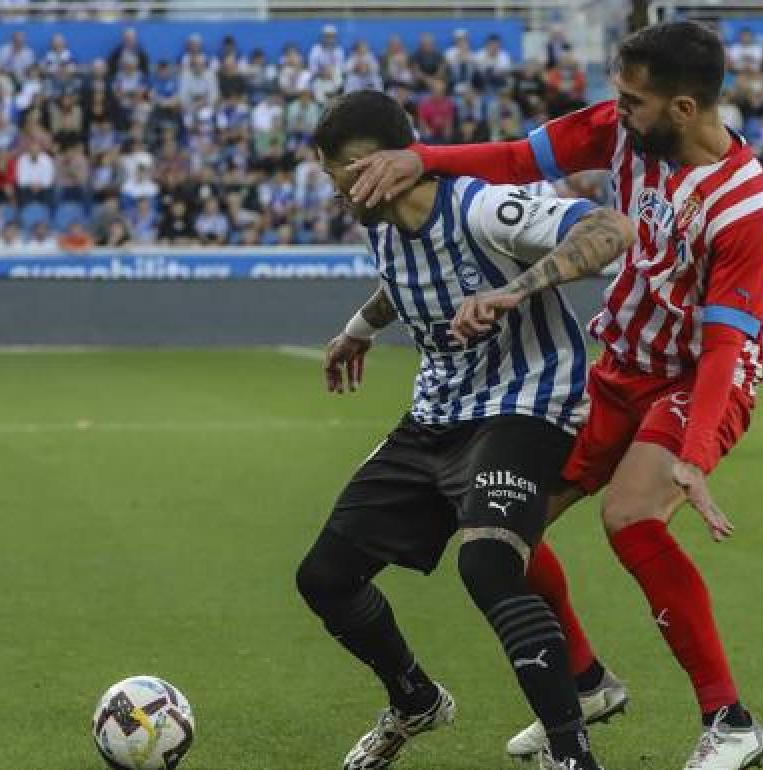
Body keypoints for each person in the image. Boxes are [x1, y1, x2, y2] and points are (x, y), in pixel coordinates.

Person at [348, 21, 763, 770]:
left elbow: (725, 344)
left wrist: (696, 452)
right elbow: (518, 159)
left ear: (682, 108)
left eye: (631, 100)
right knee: (499, 524)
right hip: (615, 369)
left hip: (692, 380)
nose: (617, 110)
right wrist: (421, 158)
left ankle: (730, 720)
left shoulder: (744, 208)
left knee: (631, 518)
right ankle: (584, 683)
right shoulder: (626, 132)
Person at [296, 90, 637, 770]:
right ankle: (415, 699)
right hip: (436, 417)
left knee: (486, 563)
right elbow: (408, 281)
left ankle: (572, 756)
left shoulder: (480, 206)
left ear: (368, 167)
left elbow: (611, 230)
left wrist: (514, 291)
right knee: (325, 577)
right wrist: (357, 331)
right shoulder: (382, 224)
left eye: (337, 175)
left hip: (526, 402)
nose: (334, 192)